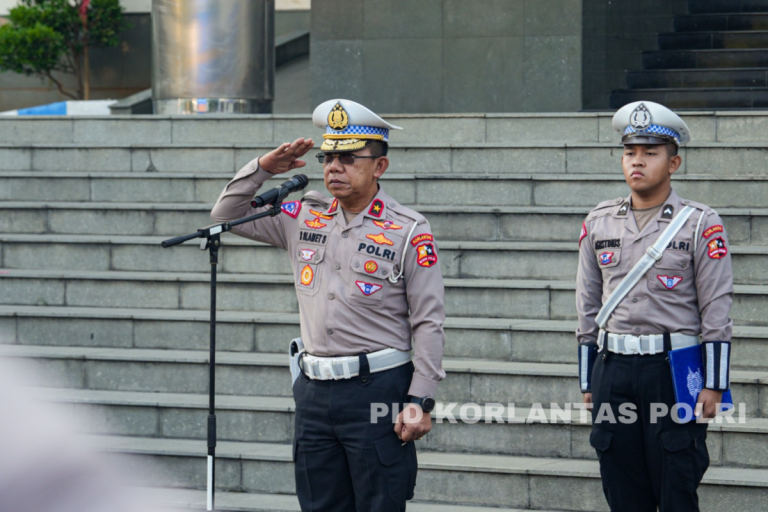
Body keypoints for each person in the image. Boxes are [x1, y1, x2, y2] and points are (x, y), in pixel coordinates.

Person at [211, 99, 445, 512]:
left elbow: (428, 320)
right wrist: (264, 167)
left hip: (378, 390)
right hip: (314, 392)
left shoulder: (409, 229)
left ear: (379, 167)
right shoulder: (302, 215)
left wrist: (420, 399)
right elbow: (226, 213)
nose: (334, 166)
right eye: (328, 157)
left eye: (349, 158)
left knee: (379, 504)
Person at [576, 101, 734, 511]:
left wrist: (714, 384)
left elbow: (717, 310)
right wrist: (588, 379)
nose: (637, 161)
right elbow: (587, 305)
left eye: (650, 152)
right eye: (630, 152)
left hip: (673, 370)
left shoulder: (700, 222)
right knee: (620, 484)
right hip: (612, 369)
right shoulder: (599, 221)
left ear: (674, 162)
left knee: (677, 482)